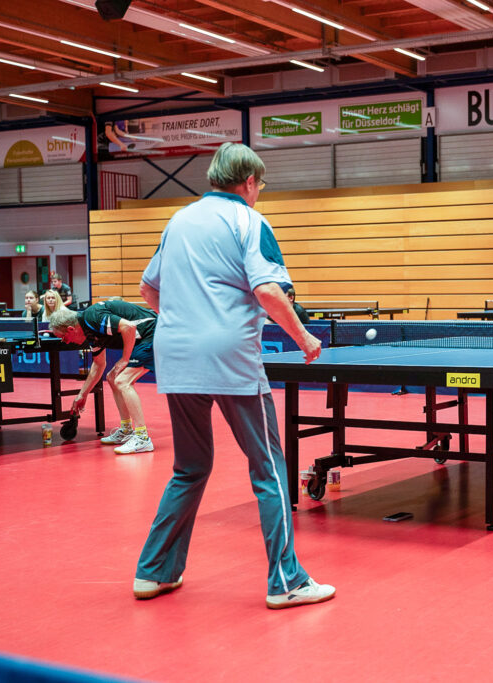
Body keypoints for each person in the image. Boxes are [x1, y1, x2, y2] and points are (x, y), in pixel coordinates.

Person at [133, 142, 334, 610]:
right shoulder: (250, 220)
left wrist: (188, 322)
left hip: (176, 355)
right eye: (259, 185)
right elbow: (267, 289)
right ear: (248, 182)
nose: (259, 192)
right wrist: (304, 339)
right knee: (269, 469)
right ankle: (287, 582)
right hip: (230, 358)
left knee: (189, 467)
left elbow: (148, 288)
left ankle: (153, 572)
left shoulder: (179, 219)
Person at [48, 301, 157, 454]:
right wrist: (82, 394)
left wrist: (125, 359)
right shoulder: (90, 334)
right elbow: (99, 364)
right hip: (144, 337)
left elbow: (129, 327)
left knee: (122, 380)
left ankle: (142, 438)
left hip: (153, 332)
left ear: (71, 329)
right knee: (112, 378)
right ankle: (126, 430)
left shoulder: (92, 317)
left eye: (63, 337)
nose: (65, 342)